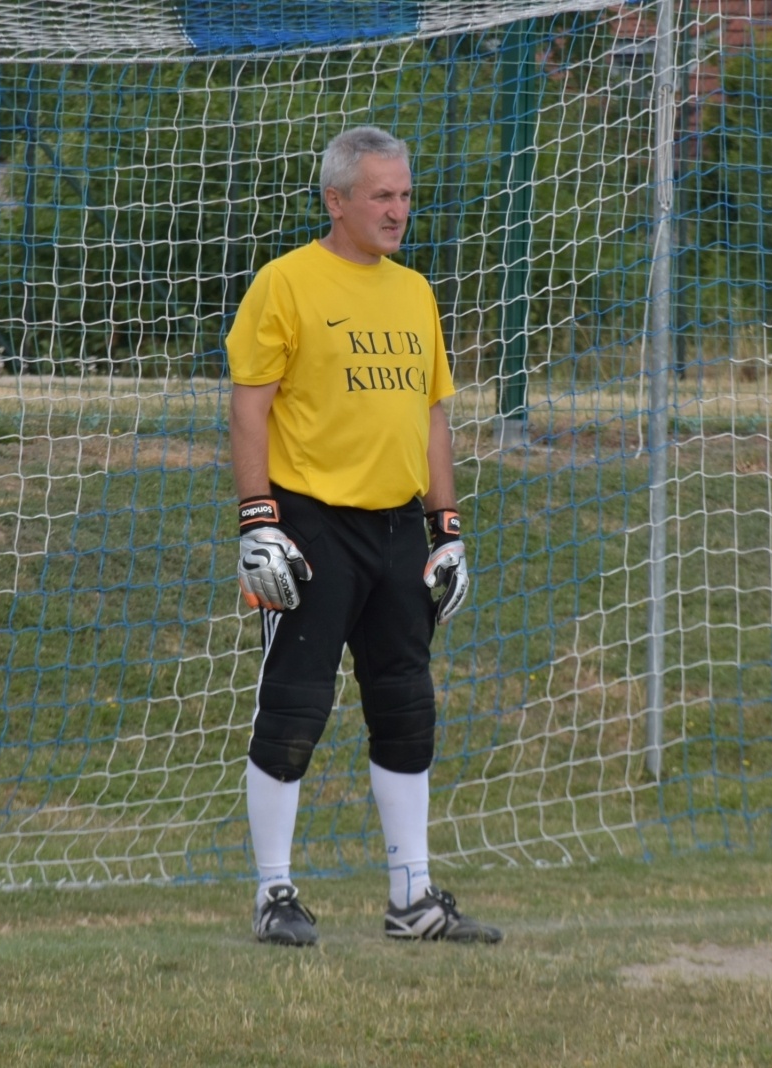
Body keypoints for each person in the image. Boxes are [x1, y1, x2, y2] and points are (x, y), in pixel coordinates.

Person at [225, 126, 502, 948]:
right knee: (295, 710)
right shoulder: (285, 284)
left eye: (406, 194)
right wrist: (257, 519)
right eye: (380, 194)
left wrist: (445, 530)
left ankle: (411, 900)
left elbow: (431, 415)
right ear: (335, 200)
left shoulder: (414, 292)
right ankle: (274, 894)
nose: (397, 210)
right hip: (312, 523)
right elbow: (251, 407)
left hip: (396, 530)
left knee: (407, 709)